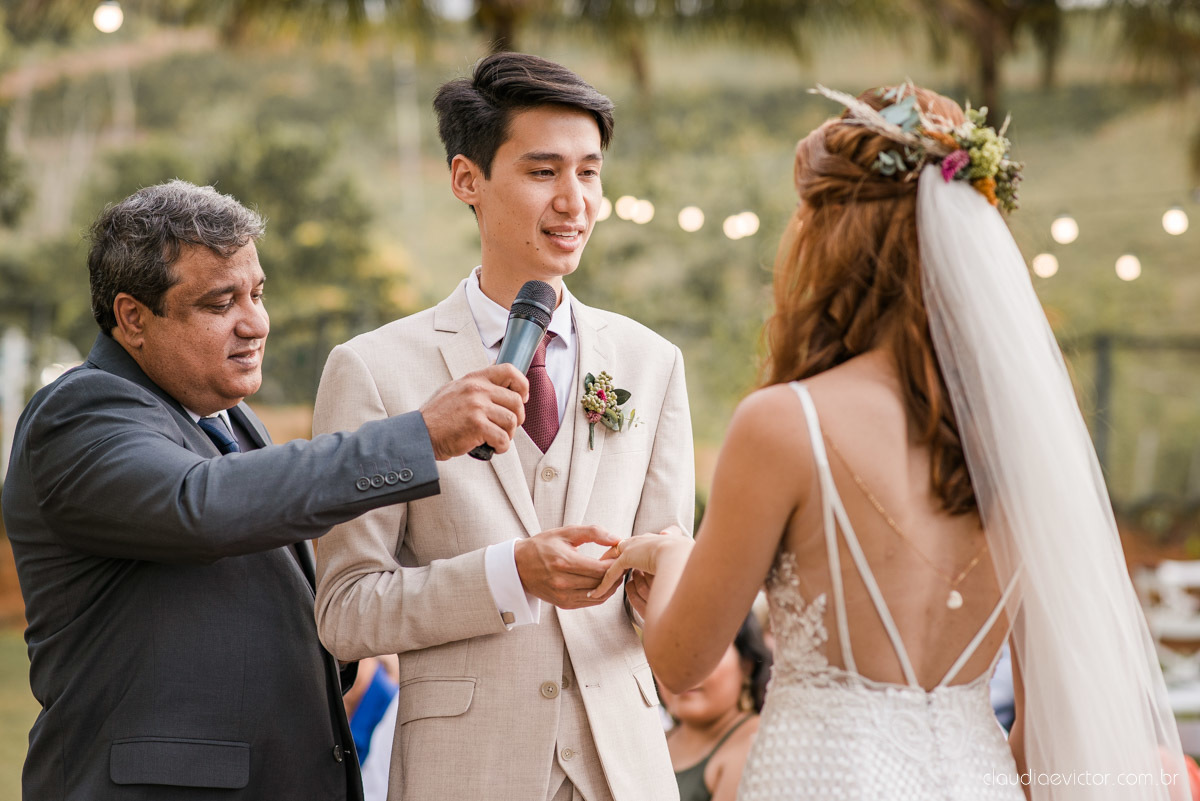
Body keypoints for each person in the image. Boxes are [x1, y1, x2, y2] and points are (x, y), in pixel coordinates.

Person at [592, 84, 1188, 799]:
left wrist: (669, 551)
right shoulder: (1021, 448)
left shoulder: (786, 423)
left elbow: (684, 658)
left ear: (833, 242)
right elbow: (1038, 738)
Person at [1, 180, 528, 801]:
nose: (255, 323)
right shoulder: (80, 413)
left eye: (257, 293)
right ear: (132, 318)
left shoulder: (227, 419)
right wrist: (416, 438)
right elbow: (200, 507)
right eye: (220, 303)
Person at [312, 52, 694, 801]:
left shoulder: (653, 362)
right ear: (467, 180)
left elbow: (669, 556)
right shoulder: (374, 368)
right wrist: (508, 573)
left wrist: (662, 583)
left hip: (625, 771)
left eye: (590, 173)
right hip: (466, 772)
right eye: (544, 172)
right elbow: (347, 610)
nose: (575, 202)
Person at [661, 615, 769, 801]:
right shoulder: (654, 741)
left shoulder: (758, 742)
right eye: (670, 652)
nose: (683, 669)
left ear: (746, 665)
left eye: (703, 651)